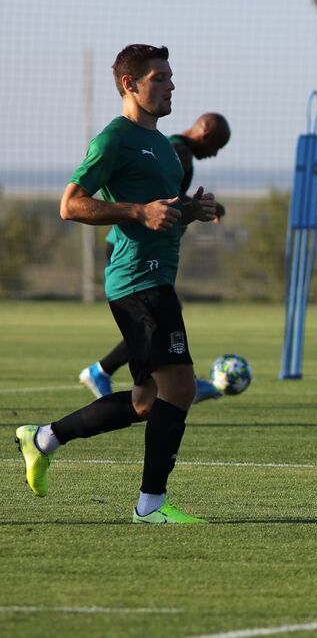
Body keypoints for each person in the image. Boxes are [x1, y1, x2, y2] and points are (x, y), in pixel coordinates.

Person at [15, 44, 219, 523]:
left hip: (154, 278)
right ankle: (150, 506)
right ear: (131, 85)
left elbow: (159, 215)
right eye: (160, 78)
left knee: (148, 401)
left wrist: (190, 211)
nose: (171, 86)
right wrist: (136, 211)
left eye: (171, 77)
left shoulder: (166, 150)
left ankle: (43, 438)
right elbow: (70, 205)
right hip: (138, 281)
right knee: (182, 387)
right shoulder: (113, 140)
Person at [79, 112, 230, 403]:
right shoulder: (178, 152)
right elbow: (166, 199)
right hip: (134, 248)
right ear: (206, 135)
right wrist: (203, 206)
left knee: (162, 317)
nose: (214, 155)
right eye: (216, 147)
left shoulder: (177, 150)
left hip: (146, 248)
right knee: (158, 318)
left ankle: (155, 379)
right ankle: (114, 372)